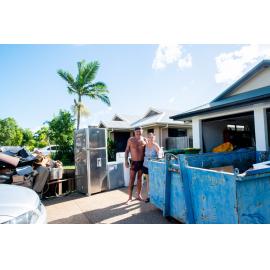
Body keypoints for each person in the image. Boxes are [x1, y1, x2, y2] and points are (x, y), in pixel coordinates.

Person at [125, 127, 147, 203]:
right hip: (134, 162)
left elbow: (148, 150)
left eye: (139, 131)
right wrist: (126, 161)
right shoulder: (131, 140)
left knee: (140, 179)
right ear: (134, 132)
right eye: (137, 131)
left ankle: (139, 195)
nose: (138, 133)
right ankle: (130, 197)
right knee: (131, 179)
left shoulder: (144, 140)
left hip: (142, 162)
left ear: (142, 131)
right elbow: (127, 150)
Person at [142, 133, 160, 203]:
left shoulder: (155, 145)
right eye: (149, 137)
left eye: (152, 137)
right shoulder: (145, 145)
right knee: (148, 181)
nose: (151, 139)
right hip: (146, 165)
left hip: (154, 167)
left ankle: (156, 195)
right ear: (148, 138)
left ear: (154, 138)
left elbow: (160, 155)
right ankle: (149, 196)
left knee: (155, 181)